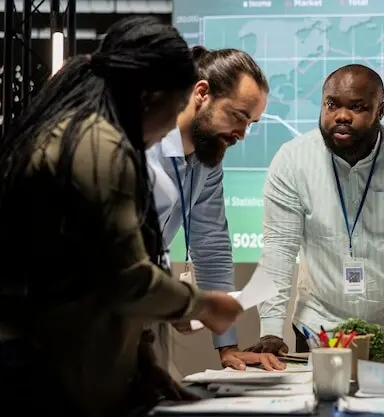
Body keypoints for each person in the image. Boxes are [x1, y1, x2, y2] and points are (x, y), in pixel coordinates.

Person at [0, 16, 244, 416]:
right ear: (150, 97)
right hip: (45, 375)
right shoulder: (98, 146)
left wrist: (143, 367)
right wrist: (204, 306)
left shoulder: (83, 133)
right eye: (176, 108)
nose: (172, 126)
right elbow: (128, 281)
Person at [248, 64, 384, 355]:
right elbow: (278, 250)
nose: (342, 116)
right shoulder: (292, 161)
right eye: (332, 105)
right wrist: (270, 331)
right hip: (318, 329)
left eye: (357, 107)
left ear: (380, 112)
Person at [147, 46, 284, 371]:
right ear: (201, 93)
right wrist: (184, 304)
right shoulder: (144, 147)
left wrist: (228, 347)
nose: (242, 134)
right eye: (238, 116)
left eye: (251, 123)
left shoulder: (207, 161)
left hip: (144, 307)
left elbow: (211, 245)